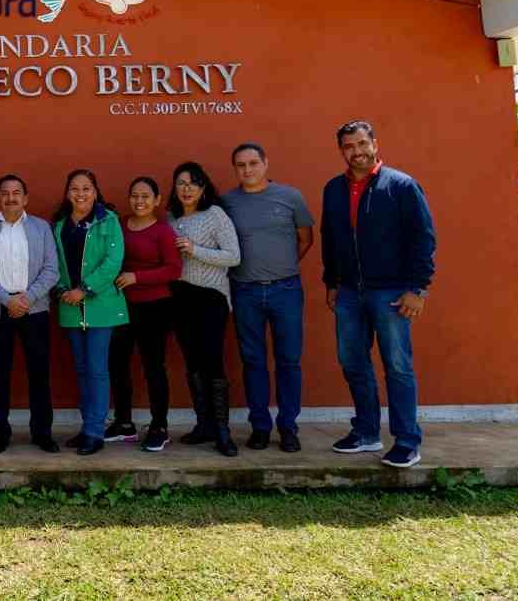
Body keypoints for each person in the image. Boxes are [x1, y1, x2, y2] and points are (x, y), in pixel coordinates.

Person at [322, 119, 435, 469]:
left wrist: (418, 289)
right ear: (341, 150)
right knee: (353, 363)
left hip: (391, 291)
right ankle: (367, 432)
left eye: (361, 144)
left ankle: (406, 440)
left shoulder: (401, 185)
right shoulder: (333, 189)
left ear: (374, 143)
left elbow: (423, 238)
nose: (356, 152)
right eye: (349, 146)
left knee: (398, 366)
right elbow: (330, 236)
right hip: (349, 293)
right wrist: (331, 282)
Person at [221, 142, 314, 453]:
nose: (247, 170)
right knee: (253, 361)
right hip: (244, 290)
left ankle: (288, 427)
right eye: (240, 165)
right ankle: (260, 426)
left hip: (285, 290)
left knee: (289, 360)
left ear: (265, 163)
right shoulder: (227, 202)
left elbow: (305, 239)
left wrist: (280, 267)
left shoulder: (290, 197)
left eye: (253, 163)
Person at [0, 174, 60, 454]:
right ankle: (0, 432)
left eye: (16, 193)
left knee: (39, 372)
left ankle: (42, 432)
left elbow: (52, 269)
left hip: (34, 310)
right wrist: (6, 299)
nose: (11, 197)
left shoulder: (41, 228)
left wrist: (26, 298)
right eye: (5, 193)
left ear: (25, 198)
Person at [168, 161, 242, 457]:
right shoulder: (170, 219)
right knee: (192, 361)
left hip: (211, 297)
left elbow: (233, 257)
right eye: (181, 183)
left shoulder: (215, 215)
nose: (187, 189)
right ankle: (204, 424)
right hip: (180, 297)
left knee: (212, 360)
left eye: (193, 183)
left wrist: (194, 250)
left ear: (203, 187)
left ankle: (222, 430)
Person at [52, 169, 127, 457]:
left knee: (97, 370)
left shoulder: (109, 221)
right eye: (74, 188)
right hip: (70, 307)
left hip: (101, 307)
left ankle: (96, 432)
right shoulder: (60, 225)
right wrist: (62, 290)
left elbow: (113, 262)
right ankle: (86, 428)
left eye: (86, 188)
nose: (80, 194)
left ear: (95, 192)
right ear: (67, 193)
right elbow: (55, 263)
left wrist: (84, 289)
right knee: (82, 370)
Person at [110, 176, 182, 449]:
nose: (139, 201)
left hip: (155, 306)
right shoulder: (119, 225)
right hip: (121, 306)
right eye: (135, 195)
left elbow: (174, 269)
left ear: (157, 200)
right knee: (117, 363)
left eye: (145, 196)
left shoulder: (163, 231)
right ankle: (124, 422)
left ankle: (159, 426)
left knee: (153, 366)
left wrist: (136, 277)